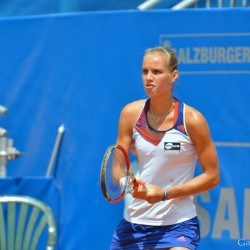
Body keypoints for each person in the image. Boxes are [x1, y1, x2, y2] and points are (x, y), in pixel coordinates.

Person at [110, 46, 220, 250]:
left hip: (179, 225)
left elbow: (212, 176)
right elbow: (117, 167)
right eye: (145, 71)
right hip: (134, 225)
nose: (149, 78)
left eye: (157, 72)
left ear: (173, 76)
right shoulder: (130, 113)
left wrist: (164, 193)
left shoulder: (192, 120)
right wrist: (130, 184)